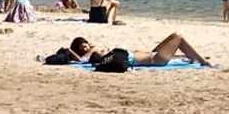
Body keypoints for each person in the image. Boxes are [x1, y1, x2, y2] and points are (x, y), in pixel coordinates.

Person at [69, 33, 210, 67]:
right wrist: (69, 51)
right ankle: (203, 62)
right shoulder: (92, 54)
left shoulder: (97, 50)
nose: (87, 47)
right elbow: (82, 60)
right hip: (156, 60)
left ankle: (191, 56)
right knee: (178, 37)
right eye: (83, 47)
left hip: (151, 54)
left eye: (86, 44)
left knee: (173, 35)